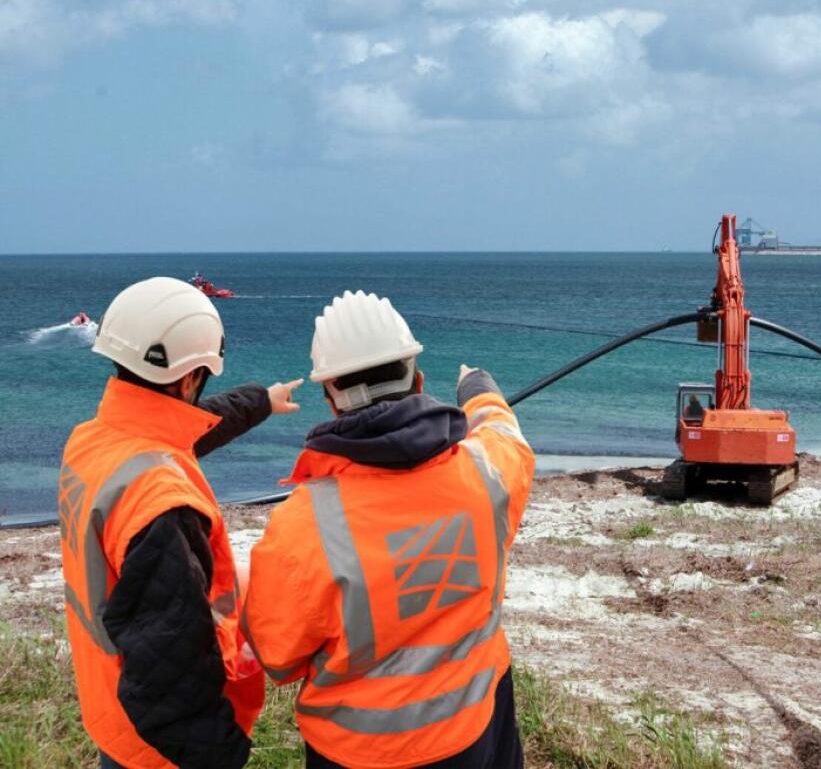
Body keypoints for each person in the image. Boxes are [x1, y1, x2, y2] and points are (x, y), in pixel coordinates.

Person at [242, 290, 535, 769]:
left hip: (357, 753)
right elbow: (506, 436)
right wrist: (479, 388)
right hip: (475, 729)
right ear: (418, 380)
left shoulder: (303, 526)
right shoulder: (486, 474)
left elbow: (279, 656)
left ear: (331, 400)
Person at [58, 276, 303, 769]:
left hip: (110, 702)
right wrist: (221, 752)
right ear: (191, 379)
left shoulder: (93, 441)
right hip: (161, 750)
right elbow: (171, 668)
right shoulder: (161, 504)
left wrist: (259, 401)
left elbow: (178, 430)